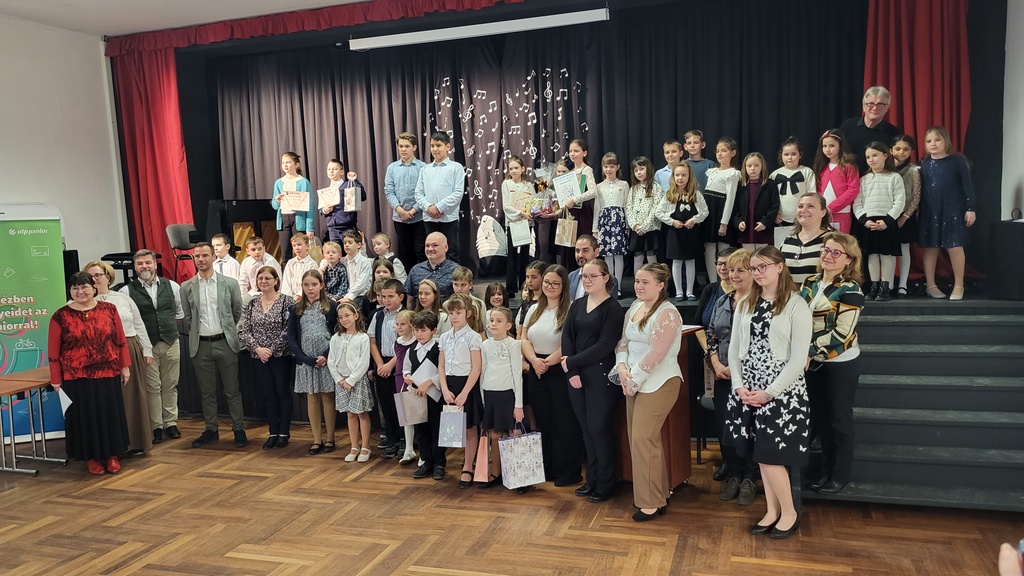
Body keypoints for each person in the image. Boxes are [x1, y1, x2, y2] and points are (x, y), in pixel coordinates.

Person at [726, 246, 812, 540]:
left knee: (771, 456)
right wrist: (739, 385)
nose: (757, 272)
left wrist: (770, 392)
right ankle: (772, 510)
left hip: (781, 392)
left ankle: (789, 513)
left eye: (763, 266)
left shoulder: (796, 305)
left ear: (779, 267)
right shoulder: (745, 303)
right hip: (749, 389)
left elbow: (798, 359)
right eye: (754, 268)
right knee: (761, 455)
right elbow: (735, 350)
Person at [615, 263, 684, 521]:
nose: (639, 286)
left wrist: (632, 378)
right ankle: (658, 494)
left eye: (645, 282)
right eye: (637, 281)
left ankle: (650, 502)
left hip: (660, 382)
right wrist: (622, 369)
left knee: (643, 440)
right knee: (641, 440)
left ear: (661, 285)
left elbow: (657, 353)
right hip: (634, 380)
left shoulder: (668, 313)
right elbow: (623, 342)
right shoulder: (634, 307)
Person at [800, 232, 865, 494]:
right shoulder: (811, 282)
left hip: (840, 362)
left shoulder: (851, 290)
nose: (828, 255)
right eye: (826, 250)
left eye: (836, 252)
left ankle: (839, 475)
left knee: (839, 420)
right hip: (813, 362)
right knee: (821, 419)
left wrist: (808, 350)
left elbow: (842, 334)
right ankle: (824, 472)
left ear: (849, 260)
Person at [50, 271, 132, 475]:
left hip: (108, 372)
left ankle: (112, 456)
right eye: (75, 288)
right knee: (84, 419)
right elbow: (53, 352)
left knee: (109, 415)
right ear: (70, 291)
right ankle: (92, 458)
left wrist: (124, 366)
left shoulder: (109, 309)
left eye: (84, 286)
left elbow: (121, 341)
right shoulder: (60, 316)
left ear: (94, 288)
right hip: (76, 376)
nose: (80, 291)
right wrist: (56, 379)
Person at [561, 259, 626, 503]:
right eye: (584, 276)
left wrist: (571, 362)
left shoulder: (613, 308)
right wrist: (572, 371)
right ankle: (592, 479)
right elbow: (567, 337)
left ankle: (607, 483)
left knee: (599, 430)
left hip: (601, 376)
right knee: (586, 431)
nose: (587, 280)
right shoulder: (578, 304)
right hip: (577, 376)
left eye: (592, 276)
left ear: (606, 278)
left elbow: (605, 346)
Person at [704, 249, 760, 505]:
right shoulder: (722, 301)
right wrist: (716, 363)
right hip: (722, 375)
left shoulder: (762, 303)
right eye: (731, 269)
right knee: (726, 428)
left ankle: (750, 478)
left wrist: (738, 370)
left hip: (751, 379)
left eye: (741, 270)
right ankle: (734, 474)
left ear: (754, 273)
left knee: (750, 429)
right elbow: (711, 335)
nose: (733, 274)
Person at [521, 264, 584, 487]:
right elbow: (524, 338)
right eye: (547, 282)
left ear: (564, 285)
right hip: (536, 370)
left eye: (555, 283)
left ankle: (567, 472)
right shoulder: (533, 308)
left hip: (559, 369)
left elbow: (569, 342)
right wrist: (534, 361)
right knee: (543, 422)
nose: (549, 286)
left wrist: (548, 362)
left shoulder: (571, 309)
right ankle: (546, 468)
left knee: (563, 422)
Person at [180, 242, 246, 448]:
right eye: (197, 256)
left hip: (225, 342)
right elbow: (188, 317)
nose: (201, 259)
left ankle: (239, 429)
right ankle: (211, 429)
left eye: (204, 255)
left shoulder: (230, 283)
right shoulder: (186, 287)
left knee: (232, 391)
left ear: (213, 257)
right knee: (207, 392)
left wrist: (227, 330)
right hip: (201, 345)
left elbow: (236, 312)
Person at [84, 261, 153, 456]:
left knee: (132, 397)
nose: (95, 279)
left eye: (98, 275)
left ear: (108, 277)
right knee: (109, 400)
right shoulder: (83, 303)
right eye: (90, 276)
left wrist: (147, 349)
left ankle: (135, 442)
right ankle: (114, 446)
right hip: (100, 355)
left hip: (129, 349)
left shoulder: (123, 298)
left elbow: (138, 324)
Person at [121, 249, 184, 445]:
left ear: (155, 264)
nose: (144, 266)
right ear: (135, 267)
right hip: (145, 347)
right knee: (152, 387)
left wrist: (165, 330)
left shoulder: (172, 286)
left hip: (171, 342)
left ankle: (170, 423)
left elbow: (179, 313)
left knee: (170, 385)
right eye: (140, 263)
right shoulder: (126, 291)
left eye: (148, 262)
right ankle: (156, 426)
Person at [919, 126, 976, 301]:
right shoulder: (924, 164)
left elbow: (967, 185)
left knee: (955, 246)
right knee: (931, 247)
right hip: (930, 211)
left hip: (953, 210)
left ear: (946, 141)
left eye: (937, 140)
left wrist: (970, 208)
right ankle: (930, 285)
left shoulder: (957, 161)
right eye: (929, 141)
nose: (933, 144)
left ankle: (959, 285)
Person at [239, 265, 293, 450]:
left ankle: (284, 433)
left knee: (282, 393)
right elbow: (245, 330)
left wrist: (271, 349)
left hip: (280, 356)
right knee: (268, 395)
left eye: (267, 278)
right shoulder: (252, 303)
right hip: (258, 357)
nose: (263, 281)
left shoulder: (286, 301)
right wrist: (258, 349)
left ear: (276, 280)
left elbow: (288, 329)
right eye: (260, 278)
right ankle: (273, 432)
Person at [288, 270, 339, 455]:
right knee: (312, 398)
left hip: (326, 359)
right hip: (307, 361)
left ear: (321, 285)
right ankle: (317, 438)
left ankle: (330, 438)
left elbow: (337, 334)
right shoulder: (296, 309)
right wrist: (305, 358)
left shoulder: (331, 306)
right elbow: (292, 337)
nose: (310, 288)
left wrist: (326, 355)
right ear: (302, 287)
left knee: (327, 397)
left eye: (314, 284)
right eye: (306, 285)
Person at [477, 306, 527, 493]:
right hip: (490, 394)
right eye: (491, 320)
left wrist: (518, 405)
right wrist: (483, 399)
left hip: (508, 395)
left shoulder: (513, 344)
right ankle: (496, 472)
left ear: (508, 325)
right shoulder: (485, 345)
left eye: (499, 321)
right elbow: (483, 371)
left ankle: (519, 475)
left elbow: (517, 375)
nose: (494, 324)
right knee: (495, 435)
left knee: (514, 433)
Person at [438, 294, 485, 488]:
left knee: (470, 428)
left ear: (468, 313)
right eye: (451, 313)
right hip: (449, 386)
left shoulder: (473, 337)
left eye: (458, 313)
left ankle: (468, 466)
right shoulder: (444, 337)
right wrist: (444, 389)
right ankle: (460, 459)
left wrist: (465, 392)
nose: (454, 317)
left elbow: (476, 367)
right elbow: (441, 366)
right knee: (453, 426)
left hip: (467, 385)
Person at [854, 142, 906, 301]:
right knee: (872, 255)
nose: (871, 159)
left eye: (875, 155)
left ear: (885, 155)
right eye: (868, 157)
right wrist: (864, 220)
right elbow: (857, 202)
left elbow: (900, 201)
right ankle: (874, 287)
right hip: (869, 223)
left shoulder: (894, 177)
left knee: (886, 255)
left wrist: (888, 220)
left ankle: (885, 288)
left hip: (887, 222)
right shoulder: (864, 179)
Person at [656, 162, 708, 301]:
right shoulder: (669, 195)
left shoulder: (696, 194)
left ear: (689, 176)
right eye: (677, 175)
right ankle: (679, 291)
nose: (680, 178)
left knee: (690, 262)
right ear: (673, 177)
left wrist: (694, 220)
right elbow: (658, 212)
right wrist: (672, 222)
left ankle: (689, 291)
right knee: (677, 262)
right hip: (675, 234)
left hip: (691, 233)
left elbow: (705, 211)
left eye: (684, 175)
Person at [329, 302, 374, 463]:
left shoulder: (362, 337)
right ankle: (354, 446)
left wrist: (351, 380)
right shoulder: (336, 338)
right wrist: (340, 379)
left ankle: (365, 446)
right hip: (341, 382)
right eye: (340, 317)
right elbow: (331, 361)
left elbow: (364, 362)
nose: (344, 319)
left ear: (356, 316)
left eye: (347, 315)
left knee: (361, 413)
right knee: (350, 414)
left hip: (357, 380)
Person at [368, 278, 406, 459]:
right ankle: (392, 439)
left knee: (402, 404)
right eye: (383, 296)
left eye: (391, 296)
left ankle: (405, 440)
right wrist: (380, 364)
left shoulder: (406, 315)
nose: (386, 300)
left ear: (401, 297)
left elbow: (407, 343)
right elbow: (372, 341)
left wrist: (391, 364)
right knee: (386, 404)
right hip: (382, 363)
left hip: (400, 363)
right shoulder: (378, 316)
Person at [415, 131, 466, 263]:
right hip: (429, 218)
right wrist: (429, 208)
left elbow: (457, 193)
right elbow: (418, 193)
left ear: (447, 147)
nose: (435, 149)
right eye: (432, 146)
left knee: (451, 252)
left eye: (438, 145)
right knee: (432, 253)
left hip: (448, 218)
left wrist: (438, 207)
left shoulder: (456, 168)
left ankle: (453, 277)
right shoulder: (425, 169)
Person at [405, 311, 444, 480]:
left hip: (435, 396)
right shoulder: (411, 350)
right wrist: (407, 376)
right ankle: (426, 461)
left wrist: (429, 382)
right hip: (417, 396)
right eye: (416, 330)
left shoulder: (439, 349)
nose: (419, 334)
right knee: (421, 430)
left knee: (437, 429)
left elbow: (443, 371)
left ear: (433, 330)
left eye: (423, 330)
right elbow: (406, 367)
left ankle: (439, 463)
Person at [384, 132, 427, 268]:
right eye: (401, 146)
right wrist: (400, 211)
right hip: (400, 218)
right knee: (405, 253)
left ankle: (422, 279)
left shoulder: (423, 167)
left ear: (414, 147)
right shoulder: (392, 168)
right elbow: (389, 191)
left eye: (407, 146)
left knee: (421, 252)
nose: (403, 149)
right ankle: (408, 279)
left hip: (419, 217)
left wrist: (413, 210)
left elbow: (426, 192)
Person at [839, 86, 903, 174]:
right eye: (871, 104)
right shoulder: (848, 126)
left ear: (887, 108)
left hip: (878, 180)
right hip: (847, 178)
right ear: (864, 106)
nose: (875, 108)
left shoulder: (893, 133)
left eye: (880, 104)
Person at [702, 138, 741, 282]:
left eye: (724, 151)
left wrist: (724, 222)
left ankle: (726, 281)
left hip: (722, 211)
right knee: (709, 247)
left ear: (733, 153)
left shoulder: (732, 173)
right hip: (710, 211)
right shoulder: (712, 172)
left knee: (724, 248)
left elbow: (730, 199)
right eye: (718, 151)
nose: (720, 154)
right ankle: (713, 282)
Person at [769, 137, 817, 247]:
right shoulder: (774, 175)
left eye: (793, 154)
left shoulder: (807, 172)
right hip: (781, 220)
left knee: (804, 245)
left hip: (803, 217)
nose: (790, 158)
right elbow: (771, 198)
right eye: (786, 154)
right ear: (781, 156)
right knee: (782, 248)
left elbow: (812, 195)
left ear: (800, 155)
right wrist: (774, 214)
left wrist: (807, 213)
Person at [891, 135, 922, 298]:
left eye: (906, 149)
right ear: (890, 150)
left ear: (911, 151)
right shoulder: (885, 169)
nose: (901, 152)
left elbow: (916, 197)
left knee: (904, 250)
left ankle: (903, 284)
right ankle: (888, 284)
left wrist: (904, 217)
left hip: (905, 217)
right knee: (887, 251)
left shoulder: (914, 170)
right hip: (887, 217)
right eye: (897, 148)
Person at [780, 192, 834, 285]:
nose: (803, 210)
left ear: (823, 212)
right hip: (791, 294)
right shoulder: (786, 241)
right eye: (800, 206)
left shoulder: (832, 241)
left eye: (810, 206)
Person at [592, 152, 629, 287]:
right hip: (604, 222)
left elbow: (627, 206)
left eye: (612, 166)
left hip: (619, 221)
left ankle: (617, 285)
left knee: (618, 254)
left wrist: (628, 225)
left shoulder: (624, 184)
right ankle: (610, 284)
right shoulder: (599, 186)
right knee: (607, 254)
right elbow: (597, 208)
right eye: (606, 167)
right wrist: (595, 229)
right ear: (602, 168)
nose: (609, 169)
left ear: (617, 167)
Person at [270, 152, 315, 263]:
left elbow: (310, 206)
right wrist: (277, 200)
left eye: (288, 162)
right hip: (283, 219)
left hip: (298, 219)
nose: (285, 165)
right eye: (283, 163)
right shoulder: (279, 182)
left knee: (300, 251)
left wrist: (310, 228)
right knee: (285, 253)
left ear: (296, 165)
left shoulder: (303, 182)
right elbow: (275, 206)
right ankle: (287, 273)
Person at [813, 129, 860, 234]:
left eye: (832, 146)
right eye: (824, 146)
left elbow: (853, 190)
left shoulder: (848, 167)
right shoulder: (822, 168)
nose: (827, 150)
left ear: (840, 145)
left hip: (842, 213)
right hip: (823, 214)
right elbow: (818, 190)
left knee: (840, 241)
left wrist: (832, 207)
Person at [502, 155, 536, 293]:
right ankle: (510, 288)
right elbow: (506, 205)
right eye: (511, 169)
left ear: (523, 169)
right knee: (511, 255)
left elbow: (534, 202)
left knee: (525, 255)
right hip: (513, 223)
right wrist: (520, 213)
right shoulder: (506, 184)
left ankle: (525, 286)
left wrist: (529, 212)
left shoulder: (528, 185)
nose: (513, 171)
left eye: (516, 168)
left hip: (526, 223)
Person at [734, 152, 780, 251]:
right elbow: (734, 207)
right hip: (745, 230)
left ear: (762, 166)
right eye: (749, 166)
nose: (753, 168)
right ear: (745, 167)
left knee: (762, 256)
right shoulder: (740, 185)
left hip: (763, 228)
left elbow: (774, 205)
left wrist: (765, 222)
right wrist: (738, 222)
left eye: (756, 165)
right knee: (747, 257)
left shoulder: (770, 185)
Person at [626, 156, 663, 273]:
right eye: (636, 170)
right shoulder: (633, 189)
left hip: (651, 228)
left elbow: (656, 208)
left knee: (651, 255)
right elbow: (628, 208)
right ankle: (638, 280)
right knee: (638, 256)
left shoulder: (656, 188)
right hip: (637, 229)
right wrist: (635, 225)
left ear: (648, 168)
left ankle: (654, 279)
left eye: (641, 169)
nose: (639, 172)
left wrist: (645, 226)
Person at [392, 310, 419, 465]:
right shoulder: (398, 342)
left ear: (411, 325)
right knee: (406, 417)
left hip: (415, 380)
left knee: (418, 415)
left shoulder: (417, 341)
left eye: (403, 324)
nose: (399, 327)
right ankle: (409, 449)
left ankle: (424, 452)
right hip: (399, 378)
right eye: (397, 324)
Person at [404, 232, 458, 307]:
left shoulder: (456, 270)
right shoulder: (415, 270)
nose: (430, 249)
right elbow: (410, 301)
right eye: (427, 245)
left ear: (446, 247)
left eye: (435, 245)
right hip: (420, 313)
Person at [320, 159, 366, 243]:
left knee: (349, 250)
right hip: (332, 229)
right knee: (335, 251)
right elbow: (322, 211)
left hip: (347, 227)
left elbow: (362, 196)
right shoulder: (326, 189)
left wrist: (355, 181)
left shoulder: (348, 185)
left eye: (334, 169)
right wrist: (325, 210)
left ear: (341, 172)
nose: (331, 171)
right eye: (329, 169)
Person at [568, 235, 621, 300]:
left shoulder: (609, 280)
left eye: (585, 251)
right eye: (577, 251)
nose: (580, 255)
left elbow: (609, 305)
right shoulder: (571, 277)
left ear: (596, 252)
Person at [561, 139, 597, 212]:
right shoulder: (570, 172)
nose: (572, 154)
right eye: (570, 151)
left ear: (584, 153)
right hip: (571, 209)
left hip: (582, 210)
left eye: (576, 151)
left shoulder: (586, 169)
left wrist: (574, 200)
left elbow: (593, 192)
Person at [280, 233, 319, 300]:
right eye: (294, 245)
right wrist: (288, 297)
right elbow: (286, 282)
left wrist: (298, 296)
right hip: (290, 298)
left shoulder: (312, 264)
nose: (297, 248)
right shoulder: (290, 263)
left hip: (305, 298)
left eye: (299, 245)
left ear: (307, 246)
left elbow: (310, 284)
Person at [340, 229, 372, 305]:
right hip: (346, 293)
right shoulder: (342, 260)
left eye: (350, 242)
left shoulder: (364, 262)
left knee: (347, 307)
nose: (346, 245)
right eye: (345, 243)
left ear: (359, 245)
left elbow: (361, 284)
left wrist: (349, 297)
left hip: (361, 295)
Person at [517, 261, 546, 336]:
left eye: (534, 277)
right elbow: (520, 329)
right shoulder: (526, 301)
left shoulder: (547, 301)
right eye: (527, 277)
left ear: (543, 278)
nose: (529, 281)